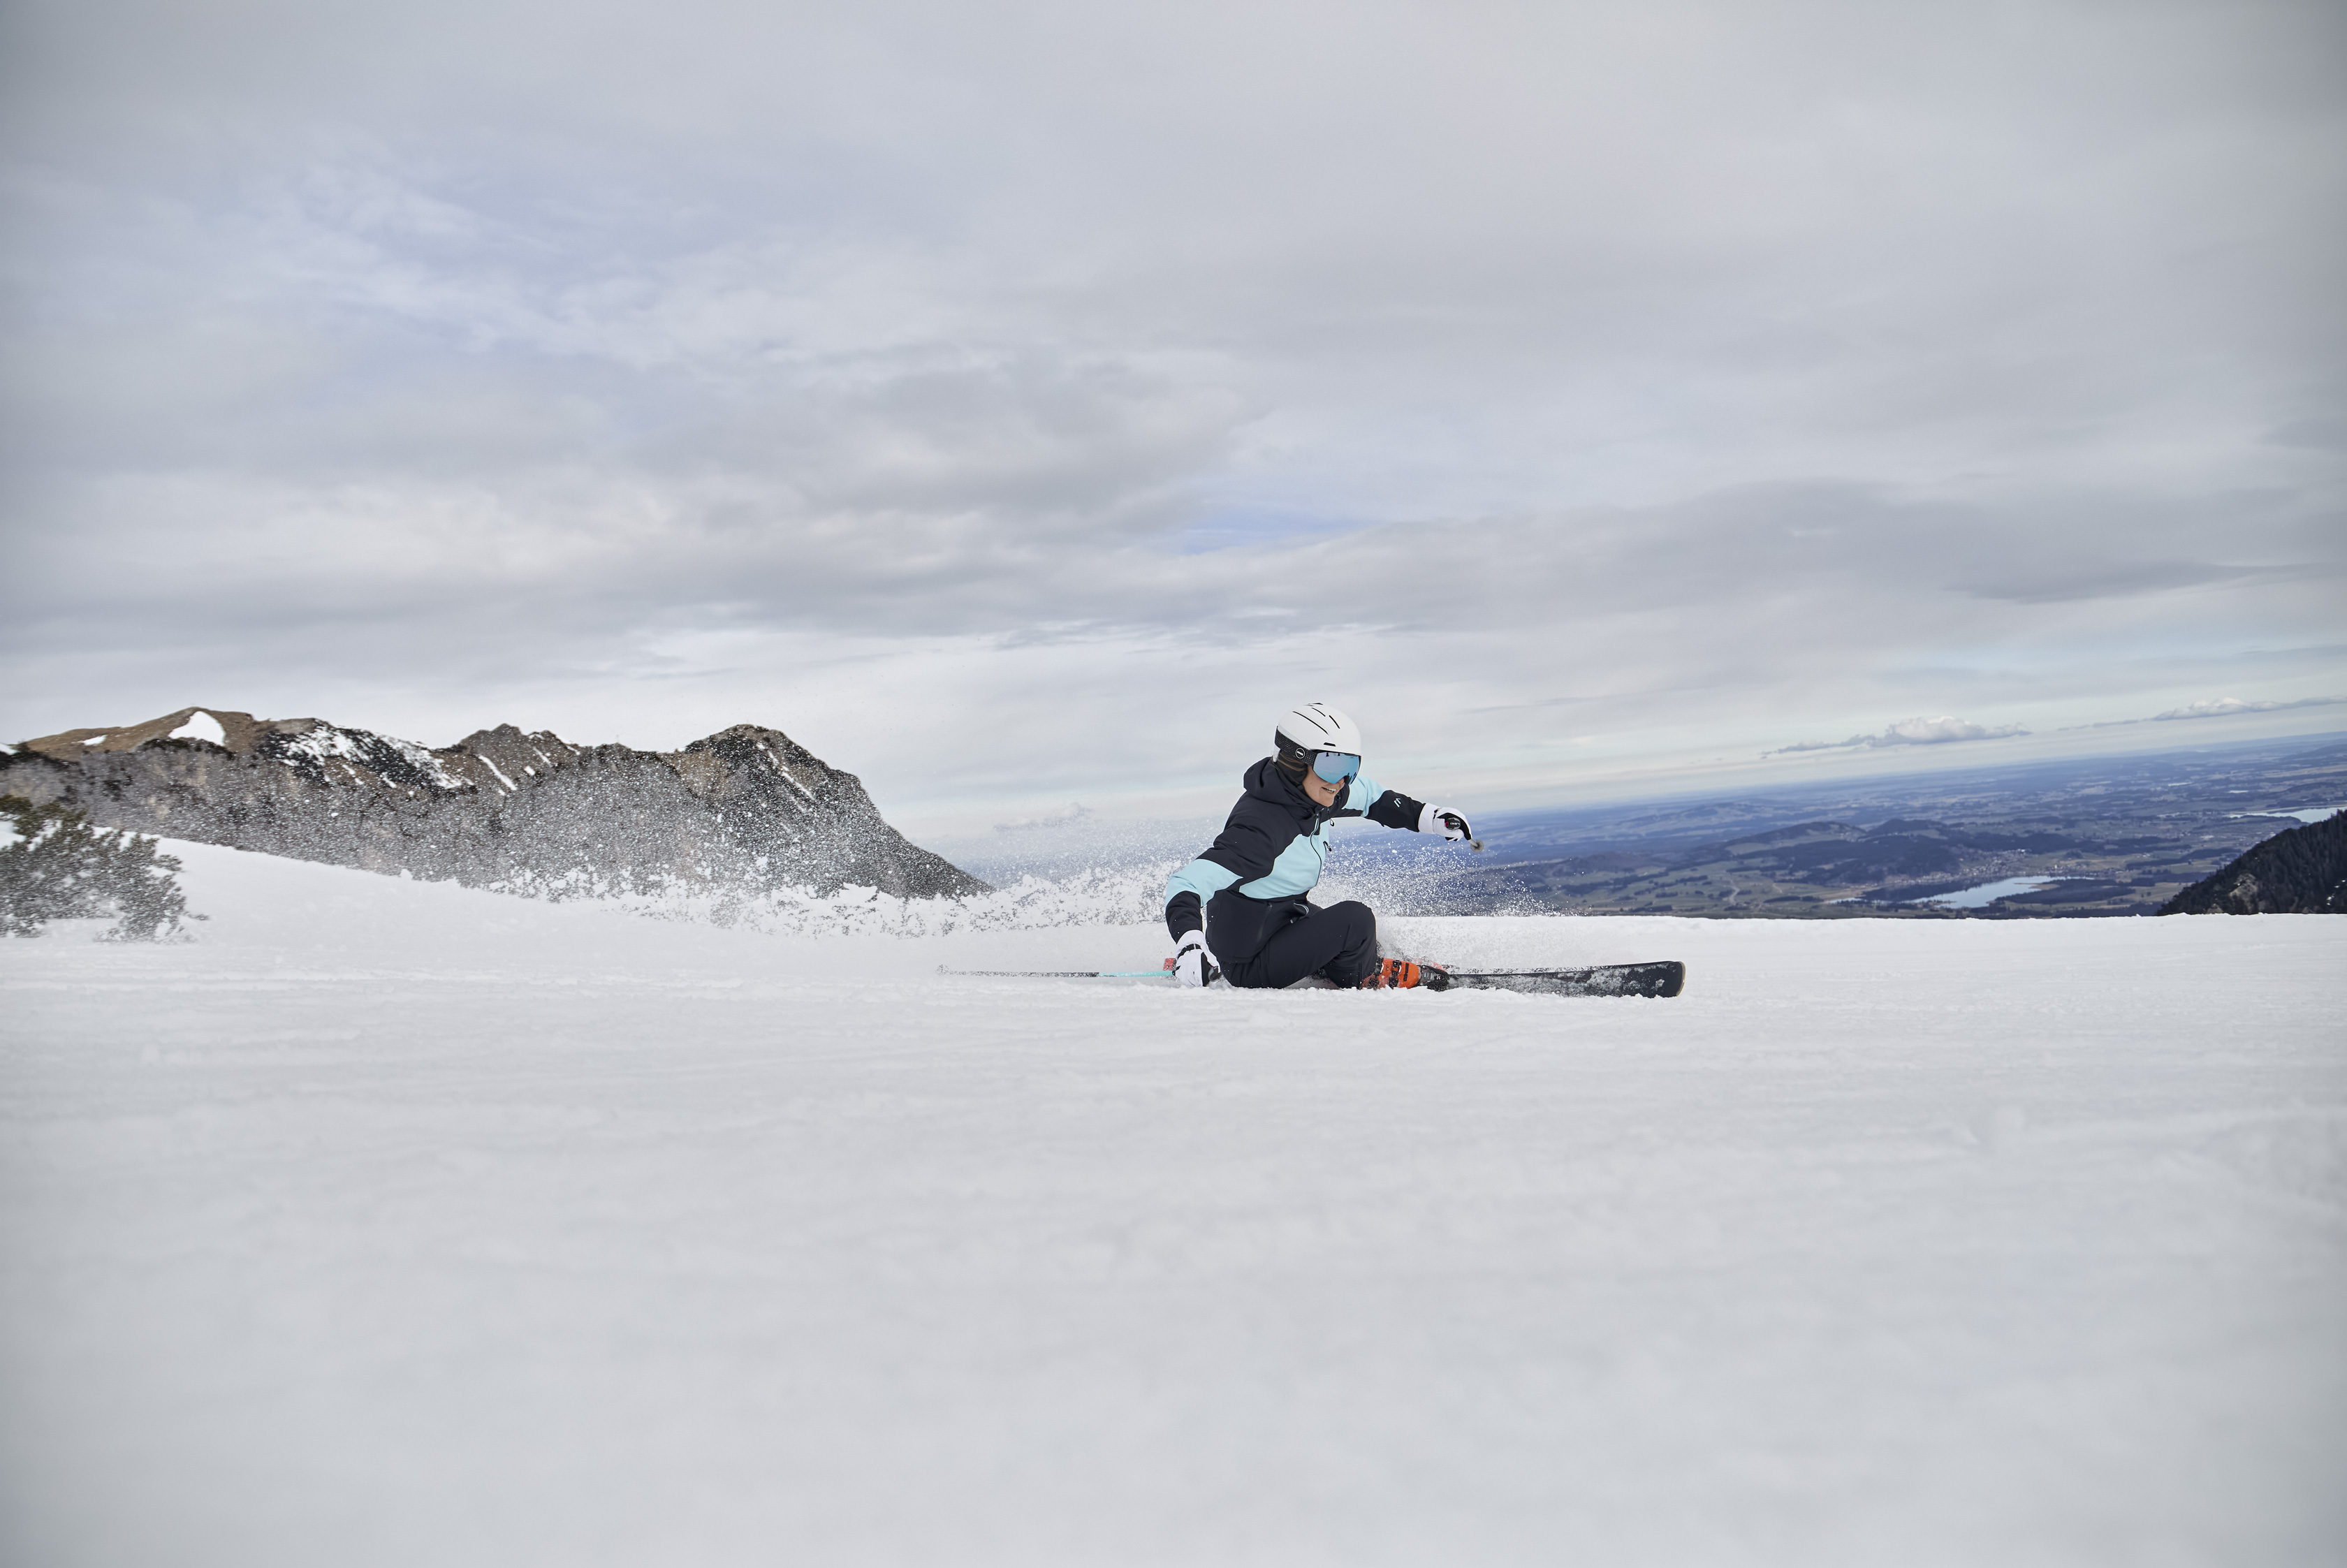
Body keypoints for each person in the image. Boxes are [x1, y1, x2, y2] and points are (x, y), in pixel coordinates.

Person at [1165, 702, 1476, 990]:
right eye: (1331, 765)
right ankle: (1366, 974)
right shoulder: (1262, 827)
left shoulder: (1315, 794)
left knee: (1358, 936)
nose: (1342, 780)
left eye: (1350, 766)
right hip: (1248, 961)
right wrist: (1189, 942)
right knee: (1356, 921)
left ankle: (1367, 959)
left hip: (1281, 917)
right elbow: (1187, 883)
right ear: (1296, 762)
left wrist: (1432, 818)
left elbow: (1373, 799)